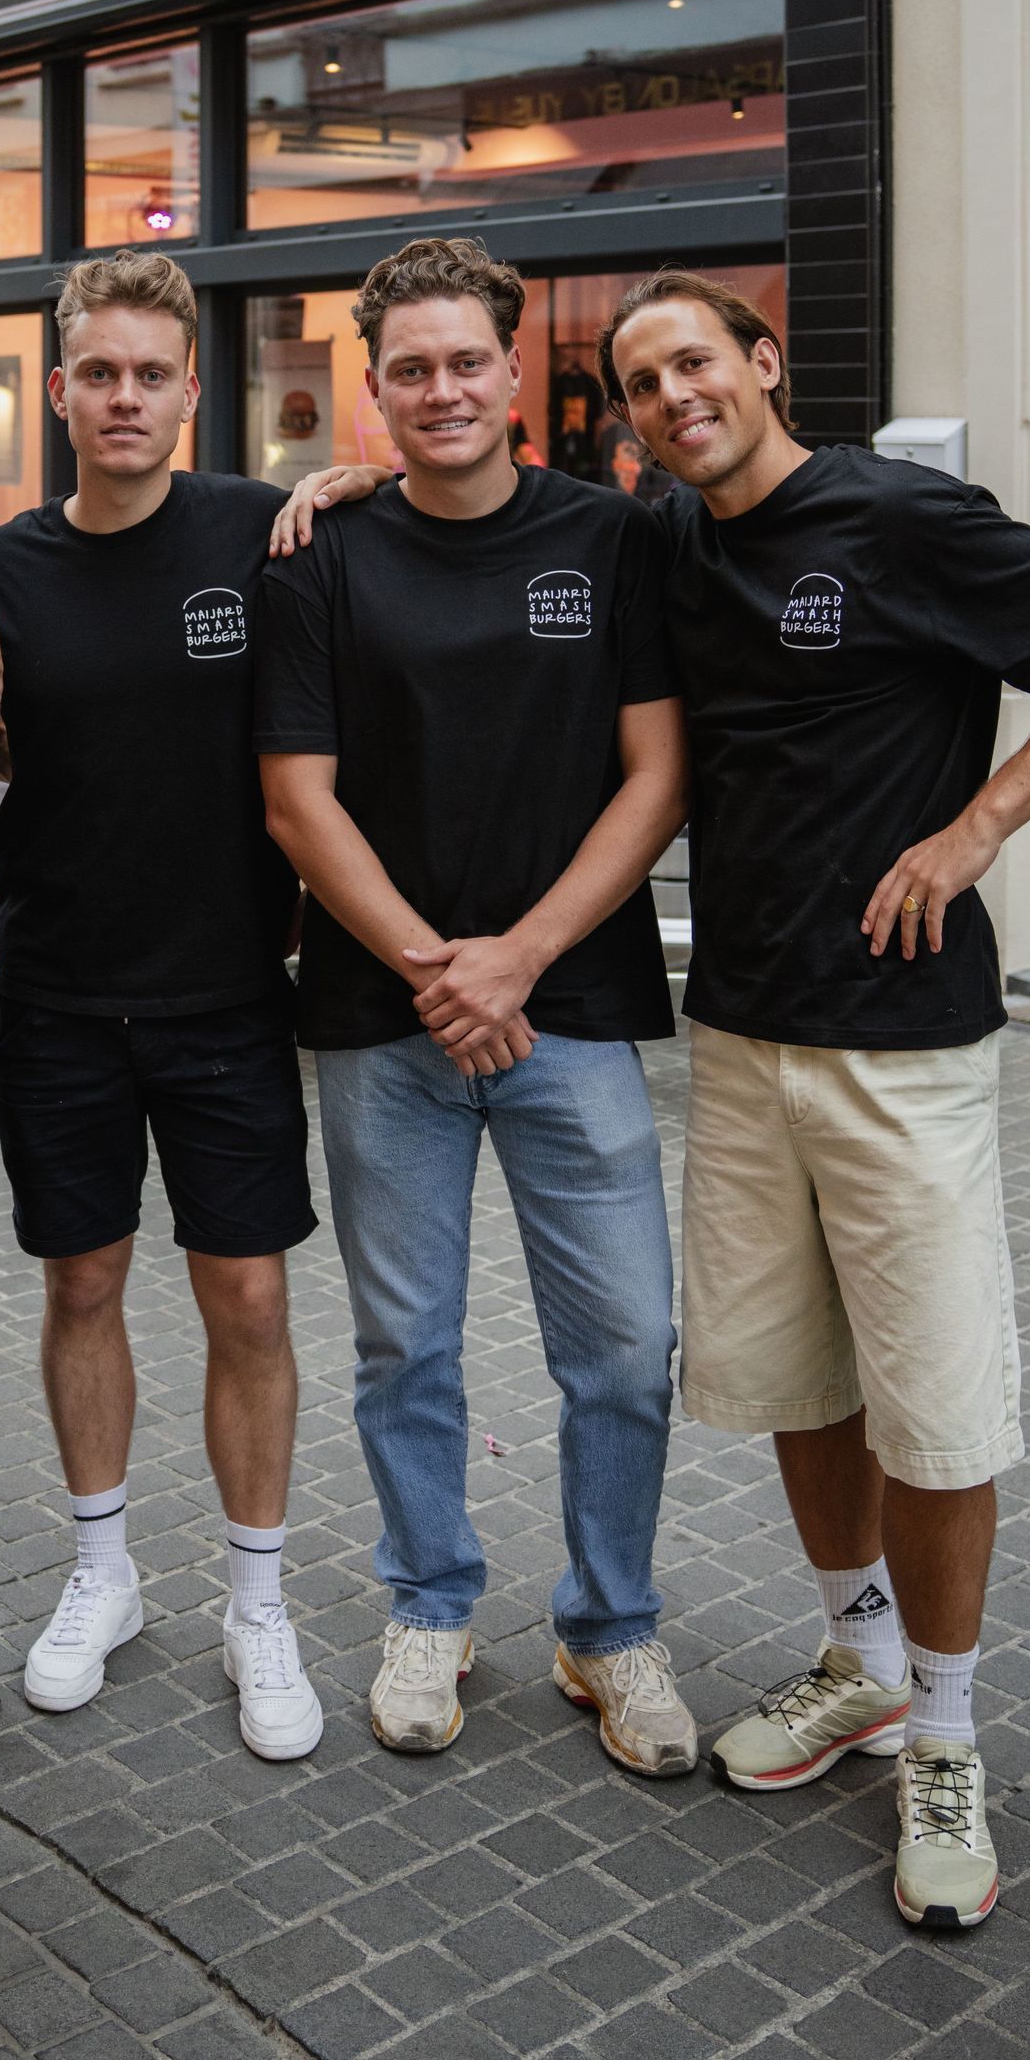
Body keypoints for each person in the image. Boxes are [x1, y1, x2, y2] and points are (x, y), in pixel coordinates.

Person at [602, 269, 1030, 1928]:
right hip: (742, 1034)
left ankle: (950, 1731)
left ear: (763, 365)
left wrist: (978, 831)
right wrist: (344, 485)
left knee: (932, 1401)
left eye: (693, 363)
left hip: (904, 1045)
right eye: (640, 384)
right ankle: (857, 1661)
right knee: (799, 1377)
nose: (670, 398)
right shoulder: (674, 541)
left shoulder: (906, 517)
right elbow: (491, 511)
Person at [257, 236, 697, 1769]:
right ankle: (430, 1600)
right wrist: (437, 972)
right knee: (405, 1346)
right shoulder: (323, 552)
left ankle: (610, 1629)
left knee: (630, 1347)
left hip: (568, 1009)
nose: (440, 389)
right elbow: (298, 803)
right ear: (370, 390)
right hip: (387, 1029)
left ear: (513, 374)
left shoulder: (615, 538)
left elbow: (658, 776)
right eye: (408, 369)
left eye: (465, 362)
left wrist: (513, 959)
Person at [0, 251, 323, 1759]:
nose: (123, 398)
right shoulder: (1, 566)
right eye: (97, 373)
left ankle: (258, 1601)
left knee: (247, 1297)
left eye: (150, 375)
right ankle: (102, 1572)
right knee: (82, 1286)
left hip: (233, 994)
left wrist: (355, 476)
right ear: (59, 390)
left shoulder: (261, 530)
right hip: (53, 994)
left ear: (192, 390)